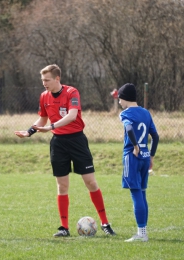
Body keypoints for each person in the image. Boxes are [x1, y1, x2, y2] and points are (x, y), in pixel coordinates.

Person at [15, 64, 115, 237]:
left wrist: (51, 126)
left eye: (47, 80)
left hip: (77, 141)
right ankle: (64, 228)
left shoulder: (71, 92)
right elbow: (42, 118)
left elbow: (72, 115)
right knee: (62, 185)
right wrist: (29, 131)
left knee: (90, 182)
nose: (44, 83)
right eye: (42, 80)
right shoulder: (44, 96)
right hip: (58, 144)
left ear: (57, 79)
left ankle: (105, 223)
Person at [118, 83, 159, 242]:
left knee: (136, 193)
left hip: (132, 157)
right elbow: (155, 137)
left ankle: (141, 234)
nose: (119, 102)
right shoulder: (146, 113)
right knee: (142, 193)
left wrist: (135, 146)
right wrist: (152, 157)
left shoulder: (125, 113)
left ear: (123, 98)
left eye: (119, 99)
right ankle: (143, 231)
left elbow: (129, 129)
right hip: (145, 157)